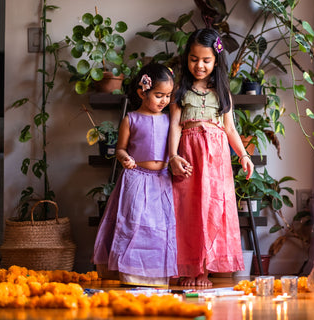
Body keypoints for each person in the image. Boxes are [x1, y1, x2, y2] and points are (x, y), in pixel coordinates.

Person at [168, 28, 254, 287]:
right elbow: (175, 126)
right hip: (189, 159)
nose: (200, 65)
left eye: (206, 60)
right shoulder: (179, 93)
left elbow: (230, 129)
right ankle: (187, 268)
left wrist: (244, 155)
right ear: (187, 59)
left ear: (216, 61)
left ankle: (204, 270)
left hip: (216, 163)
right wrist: (173, 156)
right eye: (194, 59)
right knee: (187, 212)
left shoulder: (222, 93)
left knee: (212, 211)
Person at [92, 63, 177, 287]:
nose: (164, 100)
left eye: (168, 96)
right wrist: (125, 158)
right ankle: (130, 273)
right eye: (159, 95)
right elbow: (120, 148)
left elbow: (174, 148)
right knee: (133, 225)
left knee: (159, 228)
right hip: (137, 178)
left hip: (162, 180)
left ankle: (157, 275)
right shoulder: (131, 119)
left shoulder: (169, 120)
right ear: (142, 92)